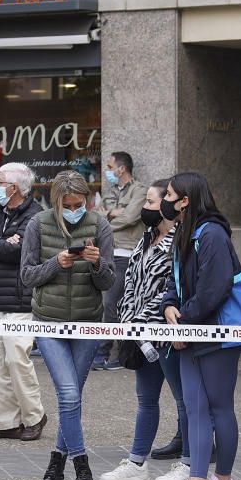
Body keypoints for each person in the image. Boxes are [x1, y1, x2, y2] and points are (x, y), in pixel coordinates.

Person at [21, 170, 115, 480]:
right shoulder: (37, 224)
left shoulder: (100, 225)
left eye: (81, 203)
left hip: (88, 322)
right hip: (49, 323)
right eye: (69, 204)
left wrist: (97, 263)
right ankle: (83, 468)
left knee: (69, 399)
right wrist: (55, 264)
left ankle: (55, 466)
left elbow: (108, 283)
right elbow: (26, 276)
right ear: (57, 201)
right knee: (70, 396)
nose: (76, 209)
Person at [155, 172, 241, 480]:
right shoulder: (187, 232)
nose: (165, 200)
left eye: (168, 194)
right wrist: (169, 308)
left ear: (185, 200)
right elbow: (176, 282)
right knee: (195, 408)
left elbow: (214, 289)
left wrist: (185, 323)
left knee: (219, 407)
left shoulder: (212, 235)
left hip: (216, 334)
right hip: (193, 332)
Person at [98, 180, 193, 480]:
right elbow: (132, 284)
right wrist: (128, 323)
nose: (147, 208)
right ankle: (137, 464)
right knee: (146, 400)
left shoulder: (182, 241)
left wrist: (142, 321)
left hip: (166, 334)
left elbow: (171, 291)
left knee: (184, 400)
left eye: (152, 201)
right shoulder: (146, 238)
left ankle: (190, 464)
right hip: (139, 337)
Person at [0, 162, 47, 442]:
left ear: (14, 188)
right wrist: (4, 242)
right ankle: (6, 422)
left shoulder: (36, 215)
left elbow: (22, 252)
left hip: (20, 301)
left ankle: (34, 417)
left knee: (17, 361)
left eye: (0, 181)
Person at [93, 151, 147, 371]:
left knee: (112, 303)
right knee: (106, 303)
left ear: (121, 168)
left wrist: (108, 217)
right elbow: (95, 215)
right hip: (106, 252)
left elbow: (131, 217)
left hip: (126, 253)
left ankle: (105, 353)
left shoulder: (140, 190)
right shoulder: (111, 192)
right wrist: (111, 214)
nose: (107, 171)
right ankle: (109, 352)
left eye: (109, 166)